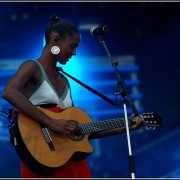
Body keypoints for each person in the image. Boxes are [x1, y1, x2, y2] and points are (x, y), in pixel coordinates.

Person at [1, 15, 143, 178]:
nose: (74, 52)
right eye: (72, 46)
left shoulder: (65, 81)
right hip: (42, 155)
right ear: (55, 40)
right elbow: (9, 92)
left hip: (69, 158)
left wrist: (126, 126)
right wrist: (52, 123)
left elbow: (80, 131)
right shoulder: (32, 66)